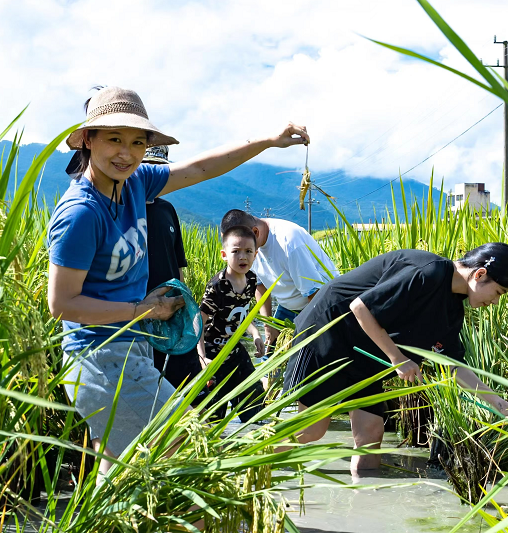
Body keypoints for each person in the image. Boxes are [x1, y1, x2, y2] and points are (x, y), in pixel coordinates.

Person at [47, 85, 309, 476]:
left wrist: (268, 141)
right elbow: (61, 304)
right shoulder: (81, 213)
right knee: (188, 448)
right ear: (88, 139)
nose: (126, 153)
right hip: (99, 357)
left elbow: (201, 168)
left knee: (119, 471)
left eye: (137, 142)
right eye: (114, 139)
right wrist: (142, 310)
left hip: (131, 350)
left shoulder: (135, 183)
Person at [281, 243, 508, 473]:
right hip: (326, 334)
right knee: (311, 431)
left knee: (371, 434)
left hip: (364, 354)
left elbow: (453, 366)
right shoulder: (427, 271)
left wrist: (499, 404)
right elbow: (360, 307)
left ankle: (365, 496)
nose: (495, 301)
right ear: (480, 274)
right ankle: (256, 461)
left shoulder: (452, 310)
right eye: (498, 292)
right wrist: (397, 358)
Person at [219, 210, 338, 357]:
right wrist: (268, 326)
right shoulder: (247, 248)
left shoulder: (289, 242)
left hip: (322, 303)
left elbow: (315, 294)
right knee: (269, 357)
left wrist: (309, 333)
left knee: (307, 359)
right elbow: (260, 286)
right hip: (288, 305)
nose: (240, 256)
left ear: (255, 232)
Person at [142, 145, 204, 397]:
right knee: (151, 388)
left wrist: (181, 308)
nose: (155, 175)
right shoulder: (123, 210)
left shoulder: (167, 210)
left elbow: (178, 268)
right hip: (140, 315)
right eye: (149, 168)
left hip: (171, 314)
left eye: (160, 169)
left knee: (187, 389)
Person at [197, 225, 266, 422]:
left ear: (256, 255)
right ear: (224, 255)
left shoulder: (251, 280)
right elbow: (198, 322)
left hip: (234, 351)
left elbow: (242, 313)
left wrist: (255, 334)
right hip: (213, 355)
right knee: (213, 417)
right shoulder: (217, 287)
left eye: (248, 251)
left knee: (255, 406)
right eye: (236, 251)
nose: (243, 257)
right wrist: (202, 358)